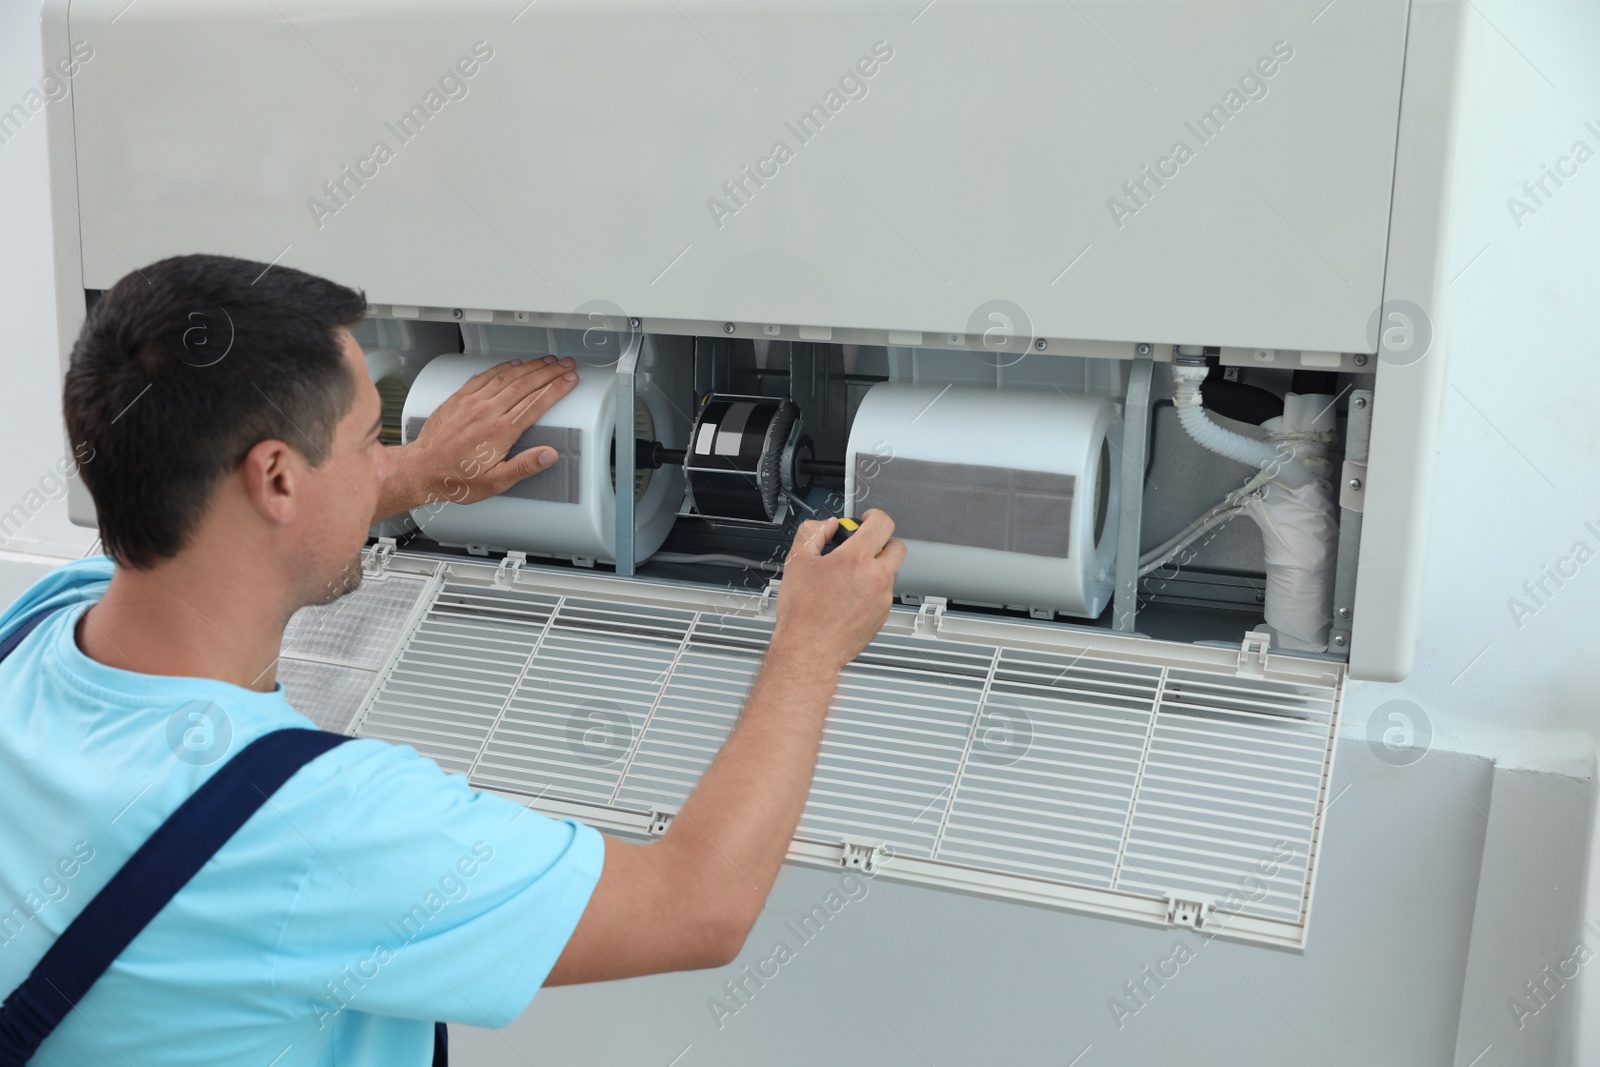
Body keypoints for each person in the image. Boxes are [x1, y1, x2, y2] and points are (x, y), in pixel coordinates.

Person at [0, 254, 905, 1065]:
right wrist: (811, 645)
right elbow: (698, 904)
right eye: (367, 441)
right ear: (274, 477)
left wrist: (412, 474)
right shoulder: (321, 826)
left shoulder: (37, 631)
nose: (383, 460)